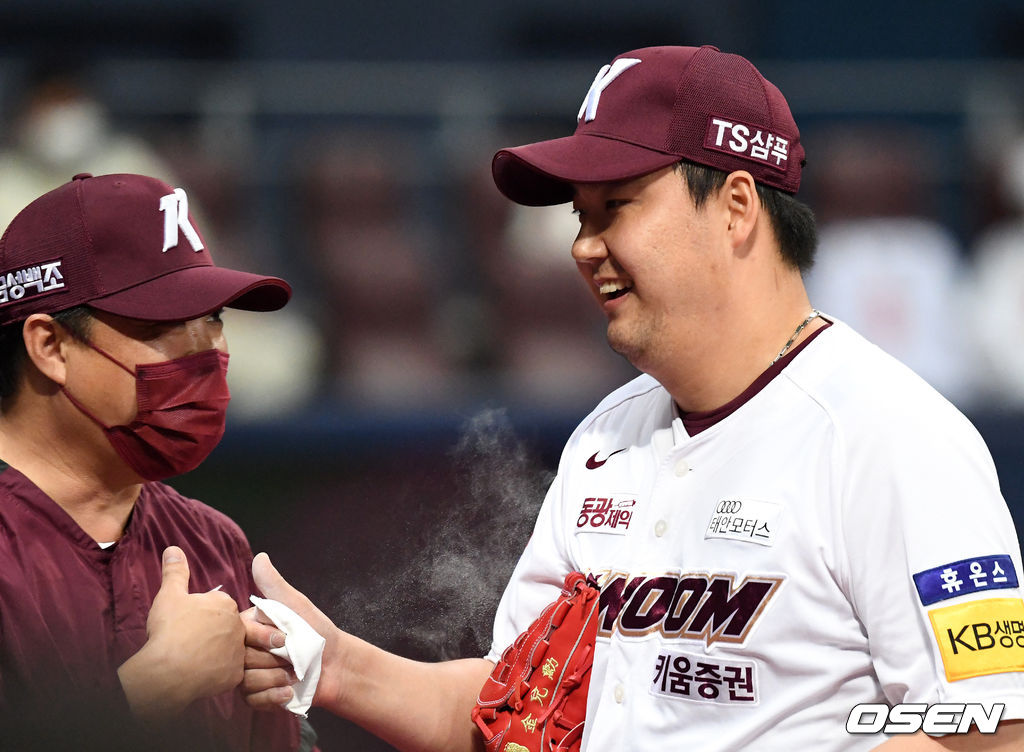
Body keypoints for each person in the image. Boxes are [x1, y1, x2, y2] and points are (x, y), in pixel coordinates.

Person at [241, 45, 1024, 750]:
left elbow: (988, 733)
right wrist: (338, 666)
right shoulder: (605, 440)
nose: (583, 245)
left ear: (737, 206)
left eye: (615, 206)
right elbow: (513, 713)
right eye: (580, 216)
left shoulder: (896, 437)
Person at [0, 173, 315, 750]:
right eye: (162, 325)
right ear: (49, 346)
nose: (207, 350)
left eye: (214, 317)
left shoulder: (215, 543)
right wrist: (155, 687)